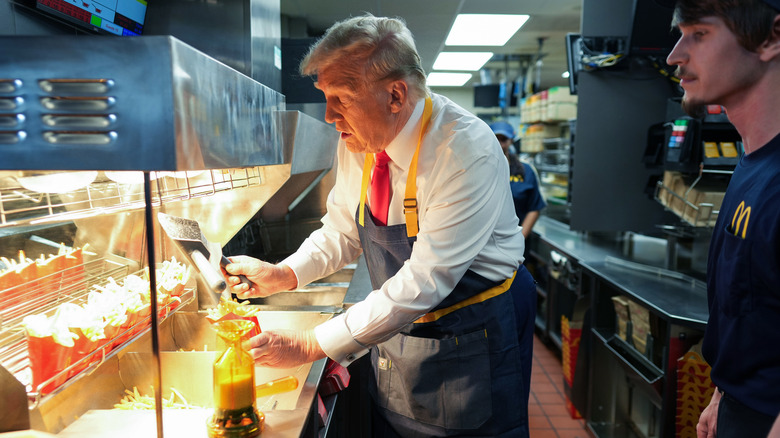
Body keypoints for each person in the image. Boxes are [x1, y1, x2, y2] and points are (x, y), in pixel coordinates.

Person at [224, 14, 537, 438]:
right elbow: (341, 230)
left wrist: (309, 344)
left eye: (343, 97)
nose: (330, 115)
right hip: (401, 325)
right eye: (325, 96)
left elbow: (427, 279)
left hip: (473, 326)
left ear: (395, 95)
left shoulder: (463, 149)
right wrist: (285, 274)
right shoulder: (361, 139)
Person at [665, 1, 780, 437]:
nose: (675, 54)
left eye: (699, 33)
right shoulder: (752, 162)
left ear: (771, 38)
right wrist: (722, 394)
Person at [489, 121, 546, 238]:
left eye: (503, 139)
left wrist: (519, 240)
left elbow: (534, 208)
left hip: (517, 241)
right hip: (485, 243)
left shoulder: (526, 171)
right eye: (496, 139)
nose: (499, 144)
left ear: (511, 141)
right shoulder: (481, 169)